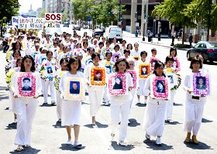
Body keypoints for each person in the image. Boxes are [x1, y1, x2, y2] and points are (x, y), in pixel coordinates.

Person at [11, 55, 41, 152]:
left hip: (32, 99)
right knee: (22, 119)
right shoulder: (17, 74)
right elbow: (12, 85)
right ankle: (19, 142)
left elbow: (39, 87)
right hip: (20, 99)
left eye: (30, 62)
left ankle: (27, 141)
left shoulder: (36, 74)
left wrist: (37, 94)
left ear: (32, 63)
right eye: (26, 61)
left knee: (29, 121)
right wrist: (15, 92)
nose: (28, 63)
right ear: (23, 63)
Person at [183, 58, 210, 144]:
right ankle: (188, 133)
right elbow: (184, 85)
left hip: (200, 101)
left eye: (198, 63)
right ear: (192, 64)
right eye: (194, 63)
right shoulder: (188, 75)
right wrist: (188, 89)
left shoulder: (203, 75)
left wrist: (205, 92)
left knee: (198, 120)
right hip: (190, 100)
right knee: (190, 118)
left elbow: (206, 87)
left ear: (200, 65)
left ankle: (194, 135)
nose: (196, 65)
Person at [143, 61, 170, 145]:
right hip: (152, 102)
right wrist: (150, 94)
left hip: (162, 102)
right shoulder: (151, 77)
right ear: (155, 68)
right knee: (151, 119)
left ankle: (159, 137)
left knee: (160, 120)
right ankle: (148, 132)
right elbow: (145, 90)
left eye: (162, 68)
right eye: (158, 68)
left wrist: (167, 97)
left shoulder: (166, 79)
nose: (160, 70)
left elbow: (168, 90)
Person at [59, 57, 84, 148]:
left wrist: (82, 95)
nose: (75, 65)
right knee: (67, 119)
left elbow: (83, 86)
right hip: (67, 101)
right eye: (73, 63)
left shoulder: (81, 75)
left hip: (77, 101)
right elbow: (61, 87)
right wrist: (62, 94)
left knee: (77, 119)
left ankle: (76, 140)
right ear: (69, 64)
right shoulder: (65, 75)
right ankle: (69, 138)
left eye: (76, 64)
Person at [108, 58, 133, 146]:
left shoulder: (128, 75)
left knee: (124, 120)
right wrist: (115, 92)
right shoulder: (112, 75)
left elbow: (130, 87)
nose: (122, 67)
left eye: (124, 65)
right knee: (115, 119)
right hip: (115, 100)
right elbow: (109, 87)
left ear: (126, 66)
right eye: (120, 65)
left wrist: (126, 89)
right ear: (117, 66)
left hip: (125, 100)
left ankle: (122, 138)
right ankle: (113, 131)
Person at [84, 53, 106, 127]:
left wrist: (105, 82)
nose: (96, 59)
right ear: (92, 59)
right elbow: (85, 77)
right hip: (91, 87)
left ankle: (94, 113)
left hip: (100, 87)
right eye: (95, 58)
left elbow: (105, 76)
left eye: (97, 58)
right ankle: (93, 118)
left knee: (99, 103)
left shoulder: (102, 66)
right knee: (93, 102)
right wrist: (87, 83)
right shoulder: (89, 66)